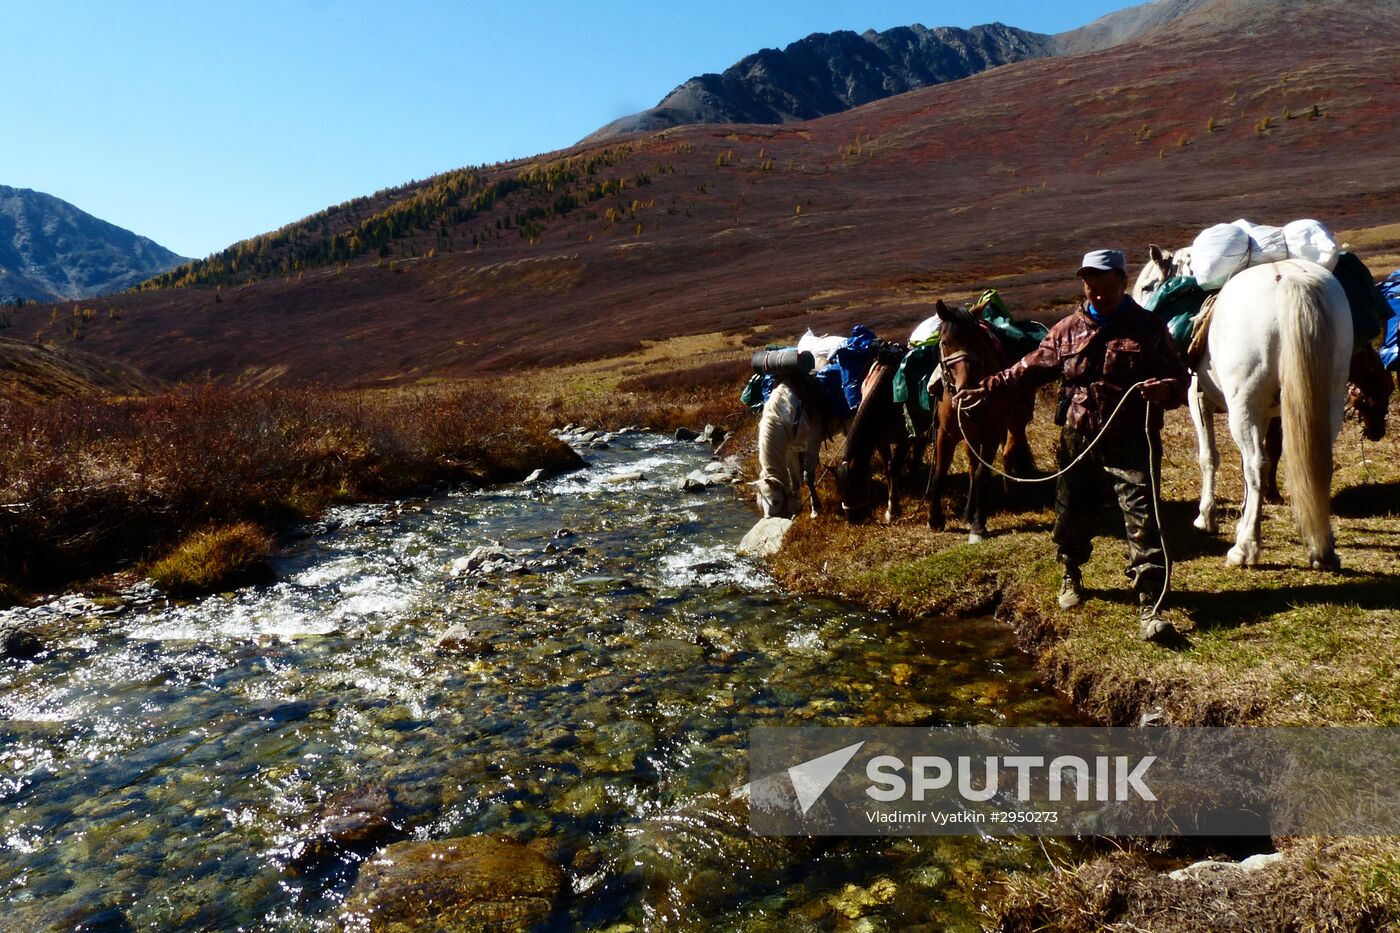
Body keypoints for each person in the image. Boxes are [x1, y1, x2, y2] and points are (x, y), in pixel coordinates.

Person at [955, 249, 1190, 643]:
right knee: (1070, 515)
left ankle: (1151, 603)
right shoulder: (1065, 331)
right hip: (1078, 440)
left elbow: (1180, 381)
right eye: (1093, 288)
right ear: (1084, 285)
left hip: (1133, 439)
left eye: (1108, 288)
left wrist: (1165, 389)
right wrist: (985, 389)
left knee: (1144, 518)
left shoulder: (1148, 328)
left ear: (1122, 283)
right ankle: (1071, 572)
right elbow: (1027, 370)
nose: (1100, 295)